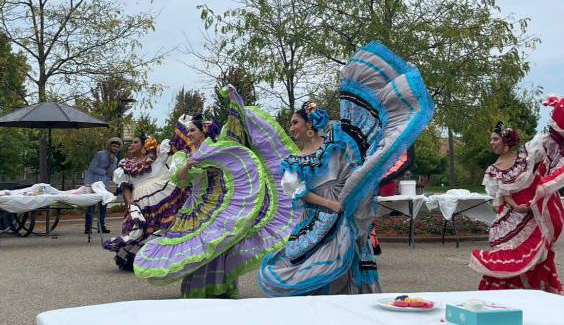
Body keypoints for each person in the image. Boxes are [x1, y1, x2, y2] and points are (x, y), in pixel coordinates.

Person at [258, 41, 434, 296]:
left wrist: (355, 196)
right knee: (313, 269)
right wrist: (333, 205)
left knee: (350, 264)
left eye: (295, 122)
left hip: (346, 213)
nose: (291, 127)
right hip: (317, 220)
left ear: (309, 124)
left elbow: (356, 168)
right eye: (291, 123)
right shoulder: (292, 162)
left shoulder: (337, 145)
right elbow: (299, 193)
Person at [134, 109, 299, 298]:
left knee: (219, 243)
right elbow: (179, 179)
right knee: (199, 247)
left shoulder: (217, 149)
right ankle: (197, 288)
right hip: (195, 207)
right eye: (188, 131)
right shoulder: (182, 155)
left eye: (193, 130)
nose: (189, 134)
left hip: (220, 203)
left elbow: (236, 142)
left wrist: (235, 105)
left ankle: (220, 288)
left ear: (203, 131)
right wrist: (187, 165)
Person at [470, 99, 564, 294]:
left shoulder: (527, 154)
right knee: (507, 253)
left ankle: (535, 295)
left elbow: (551, 145)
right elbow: (501, 196)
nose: (491, 143)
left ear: (506, 142)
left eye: (495, 139)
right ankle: (505, 297)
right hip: (511, 217)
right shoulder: (493, 170)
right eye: (491, 139)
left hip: (533, 215)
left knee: (538, 254)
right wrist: (516, 206)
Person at [102, 134, 188, 271]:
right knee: (140, 230)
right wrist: (130, 203)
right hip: (139, 200)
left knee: (161, 226)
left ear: (144, 145)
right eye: (131, 143)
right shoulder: (126, 165)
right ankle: (142, 259)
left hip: (159, 195)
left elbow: (174, 151)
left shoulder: (156, 158)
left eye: (135, 142)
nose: (131, 145)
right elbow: (125, 186)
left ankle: (161, 258)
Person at [83, 137, 122, 234]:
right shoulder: (100, 154)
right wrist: (102, 172)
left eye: (117, 146)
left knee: (103, 205)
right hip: (93, 181)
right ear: (109, 146)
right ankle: (88, 226)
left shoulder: (115, 159)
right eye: (113, 145)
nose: (115, 148)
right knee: (91, 204)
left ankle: (101, 226)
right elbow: (92, 168)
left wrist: (111, 162)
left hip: (105, 184)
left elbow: (111, 173)